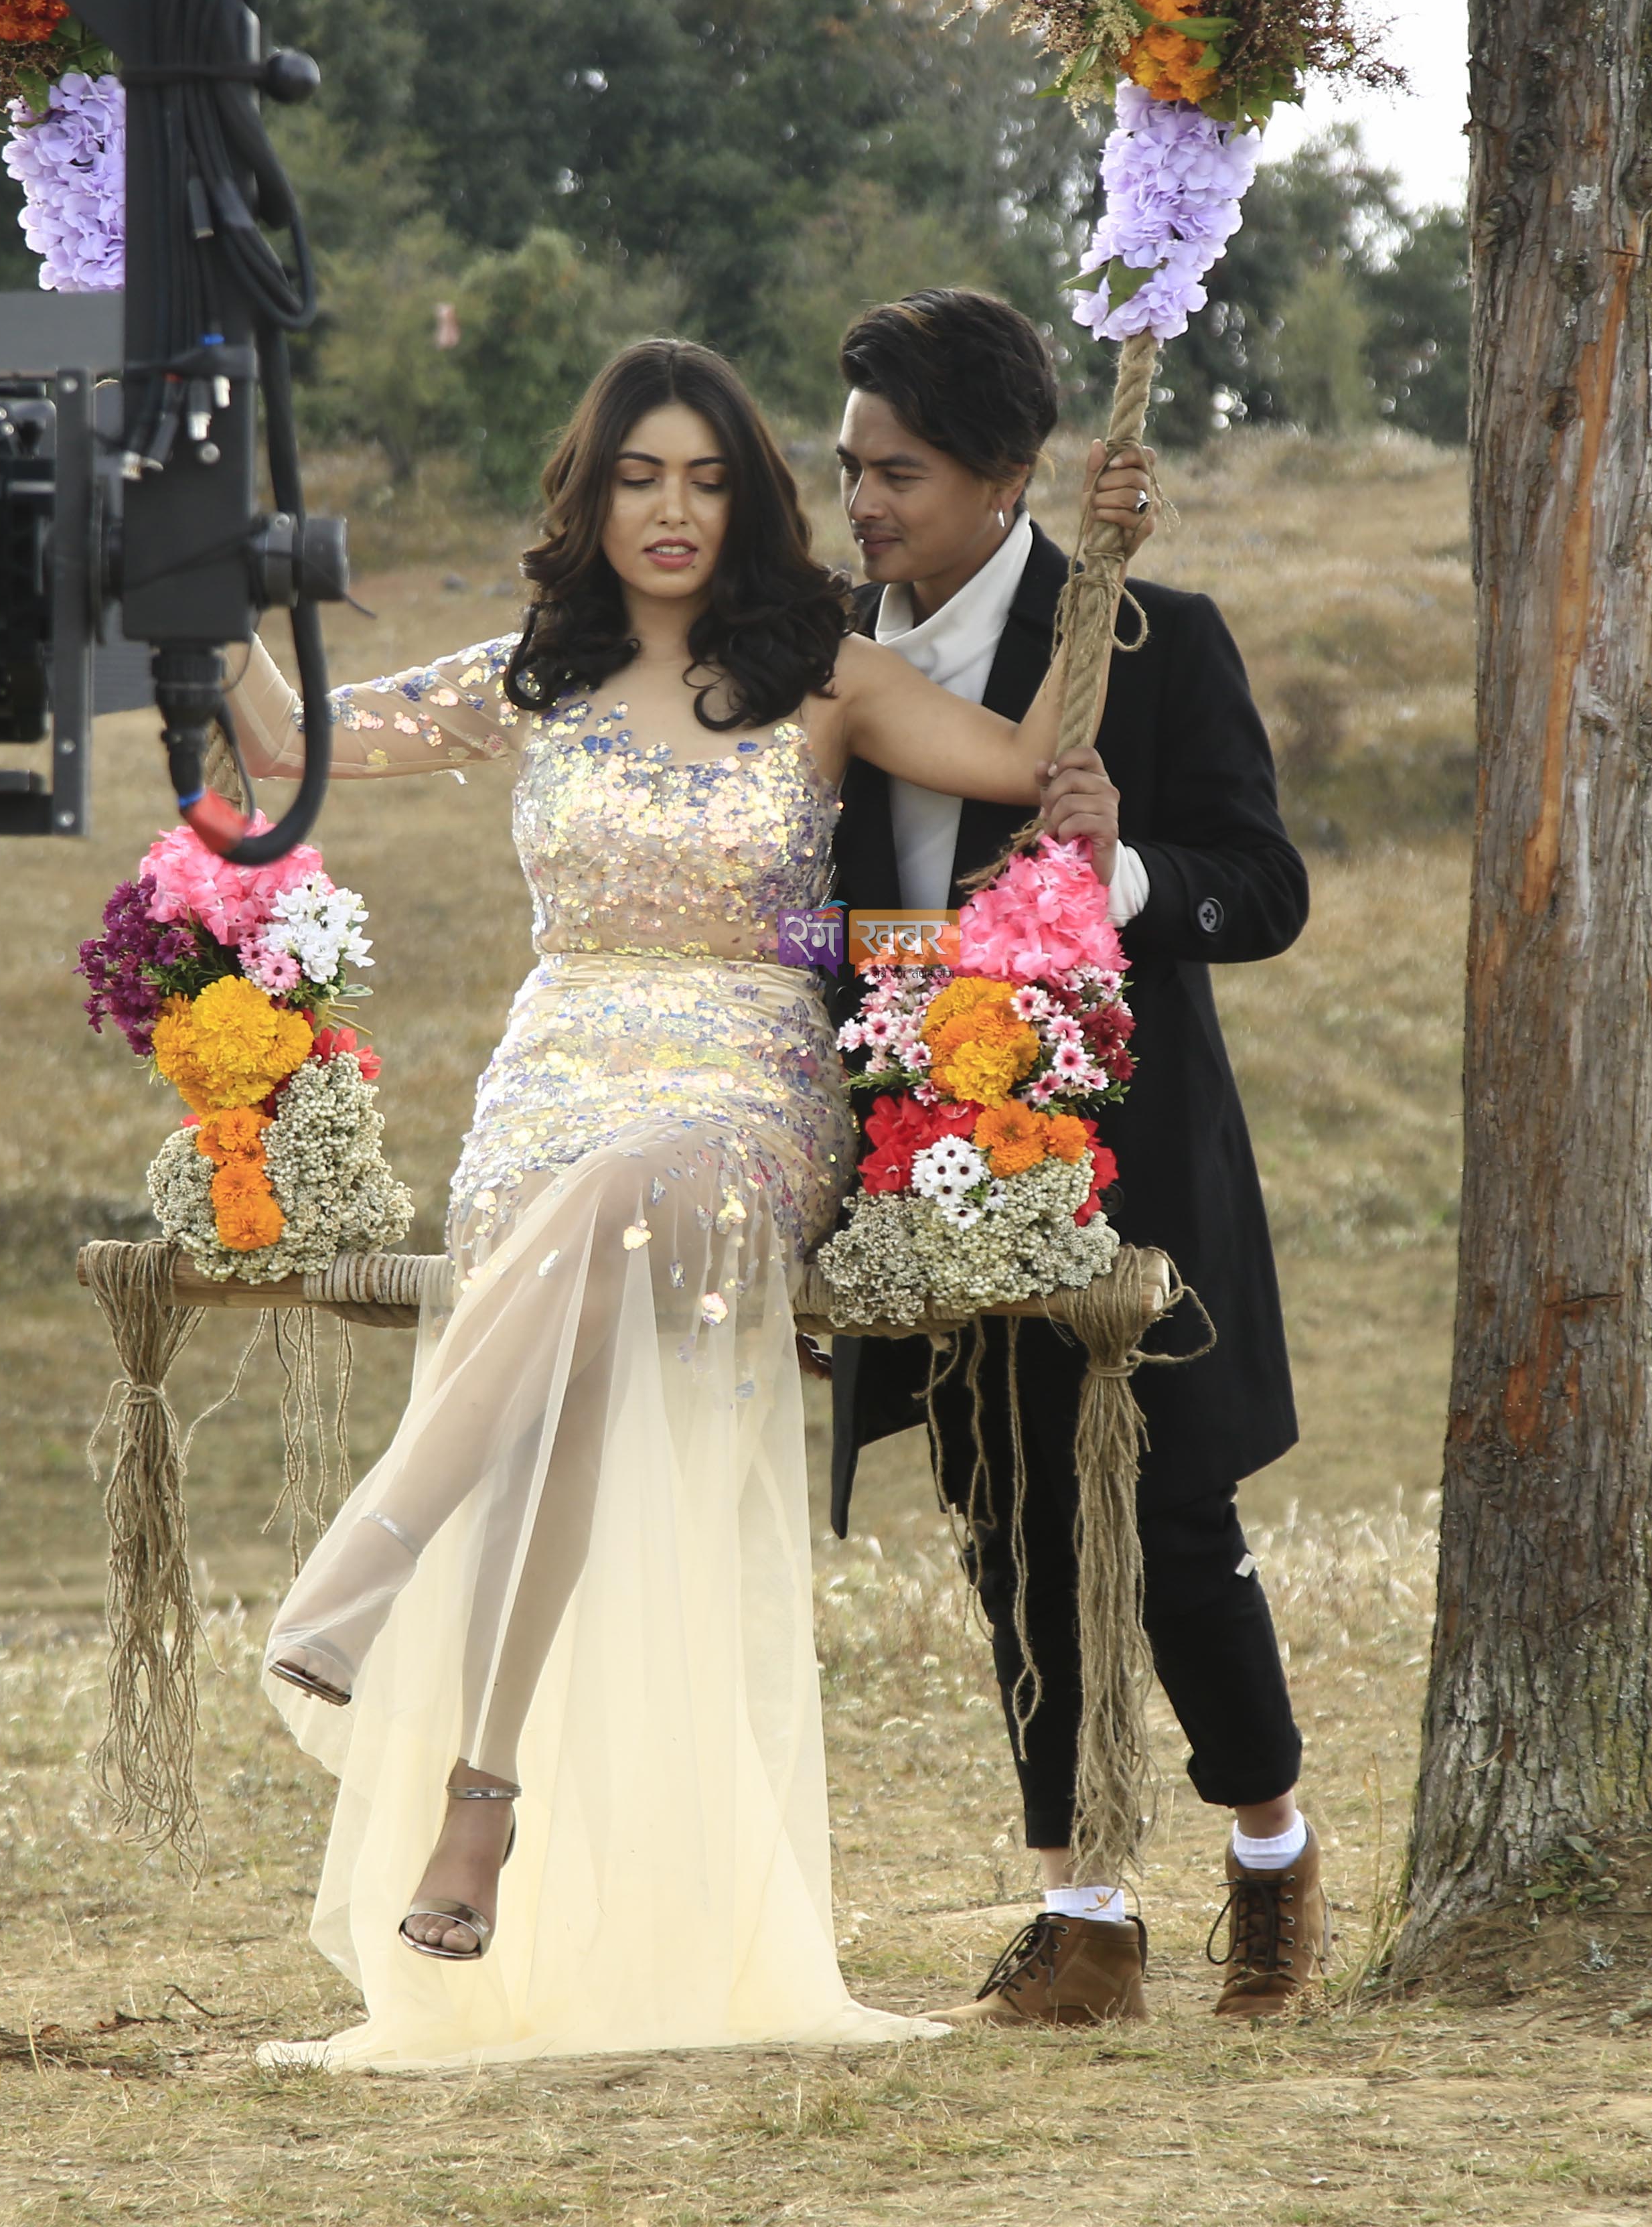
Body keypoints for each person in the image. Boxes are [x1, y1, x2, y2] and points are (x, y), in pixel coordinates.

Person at [226, 336, 1153, 2070]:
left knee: (617, 1206)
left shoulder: (831, 674)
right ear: (593, 498)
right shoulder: (530, 678)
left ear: (751, 502)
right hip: (553, 1076)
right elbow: (283, 744)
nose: (672, 510)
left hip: (744, 1081)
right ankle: (480, 1809)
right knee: (564, 1376)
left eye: (708, 480)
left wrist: (1099, 551)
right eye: (640, 478)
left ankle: (366, 1562)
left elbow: (1033, 754)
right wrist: (194, 580)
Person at [823, 288, 1319, 2026]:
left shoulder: (1155, 641)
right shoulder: (822, 655)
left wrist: (1124, 874)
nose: (863, 503)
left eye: (898, 472)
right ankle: (1084, 1923)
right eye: (849, 467)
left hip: (1130, 1177)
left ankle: (1272, 1855)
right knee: (1009, 1527)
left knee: (1172, 1524)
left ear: (1005, 477)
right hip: (928, 1173)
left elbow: (1266, 888)